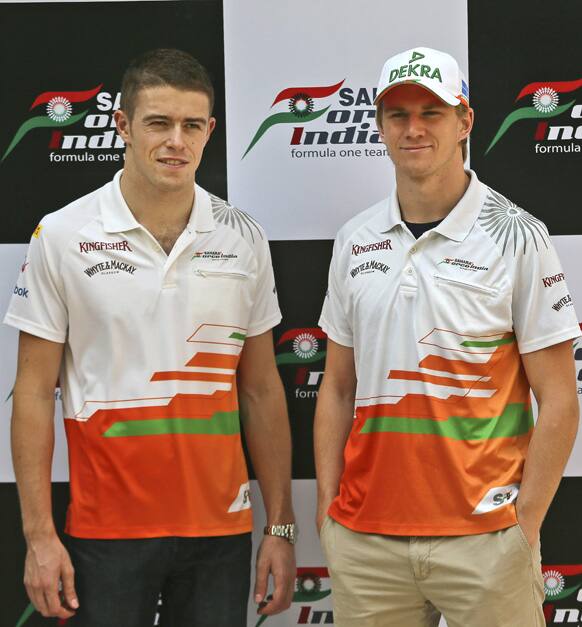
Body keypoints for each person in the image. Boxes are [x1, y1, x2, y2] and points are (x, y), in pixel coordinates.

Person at [5, 48, 296, 627]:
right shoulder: (62, 234)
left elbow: (262, 389)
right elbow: (34, 393)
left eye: (191, 126)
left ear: (210, 130)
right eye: (158, 123)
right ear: (123, 125)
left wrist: (280, 527)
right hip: (106, 532)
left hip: (221, 532)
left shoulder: (244, 238)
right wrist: (39, 536)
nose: (175, 142)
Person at [314, 46, 580, 627]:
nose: (413, 129)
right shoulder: (354, 239)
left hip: (486, 541)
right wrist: (327, 512)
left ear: (465, 121)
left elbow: (560, 398)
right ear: (379, 125)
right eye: (398, 114)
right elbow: (336, 388)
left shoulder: (518, 236)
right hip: (367, 540)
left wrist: (523, 526)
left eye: (431, 113)